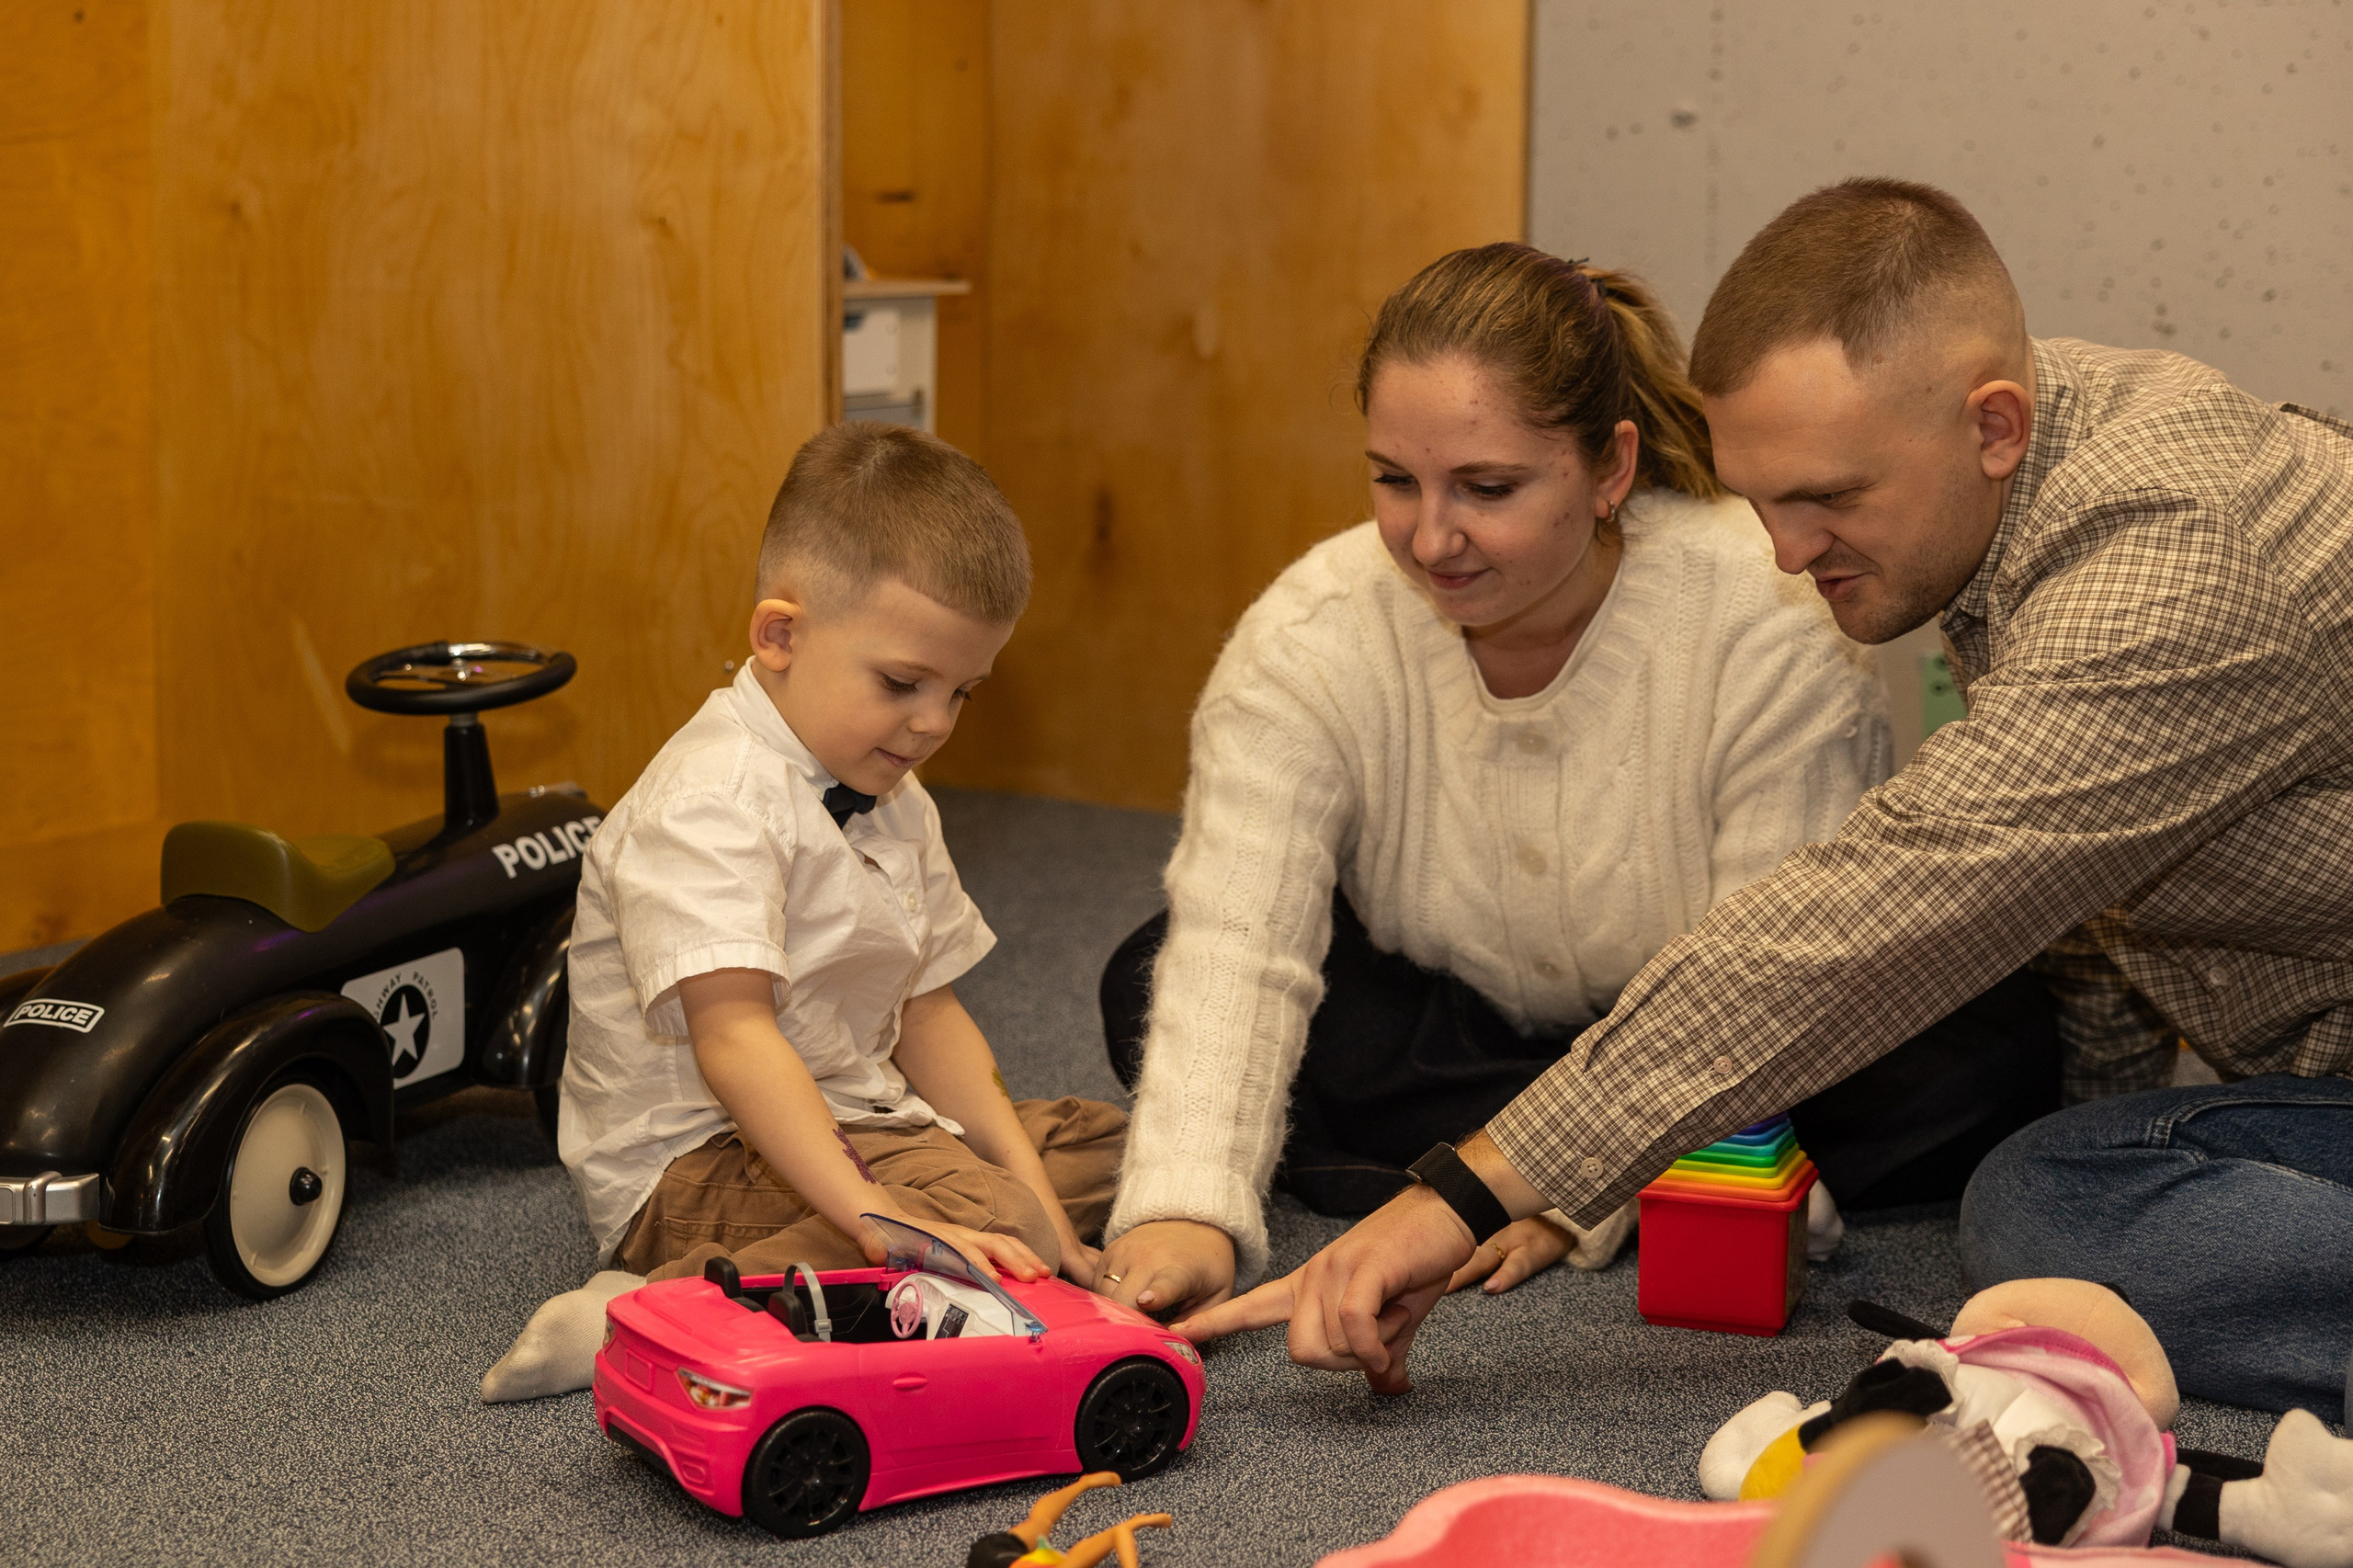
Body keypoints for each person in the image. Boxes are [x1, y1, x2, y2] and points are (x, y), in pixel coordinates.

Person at [1176, 178, 2353, 1424]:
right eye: (1763, 502)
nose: (1788, 555)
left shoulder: (2169, 566)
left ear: (1994, 426)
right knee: (2056, 1194)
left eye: (1829, 502)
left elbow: (1873, 915)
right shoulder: (2016, 458)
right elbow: (2082, 901)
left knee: (2042, 1201)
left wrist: (1469, 1189)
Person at [1094, 241, 2065, 1324]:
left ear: (1609, 467)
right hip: (1462, 1025)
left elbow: (1771, 1002)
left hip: (1726, 1020)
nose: (1430, 536)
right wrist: (1180, 1208)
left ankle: (1488, 1170)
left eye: (1488, 486)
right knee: (1147, 972)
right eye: (1391, 479)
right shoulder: (1310, 629)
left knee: (1988, 1048)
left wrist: (1569, 1192)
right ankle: (1533, 1168)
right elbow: (1239, 941)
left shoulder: (1765, 615)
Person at [480, 423, 1125, 1402]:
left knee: (1116, 1148)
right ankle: (652, 1308)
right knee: (995, 1221)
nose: (934, 723)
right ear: (779, 634)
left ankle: (902, 1240)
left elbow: (928, 1009)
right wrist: (879, 1214)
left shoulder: (894, 791)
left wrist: (1029, 1184)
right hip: (696, 1161)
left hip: (861, 1115)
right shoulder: (706, 800)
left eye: (962, 692)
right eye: (903, 683)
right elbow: (734, 1037)